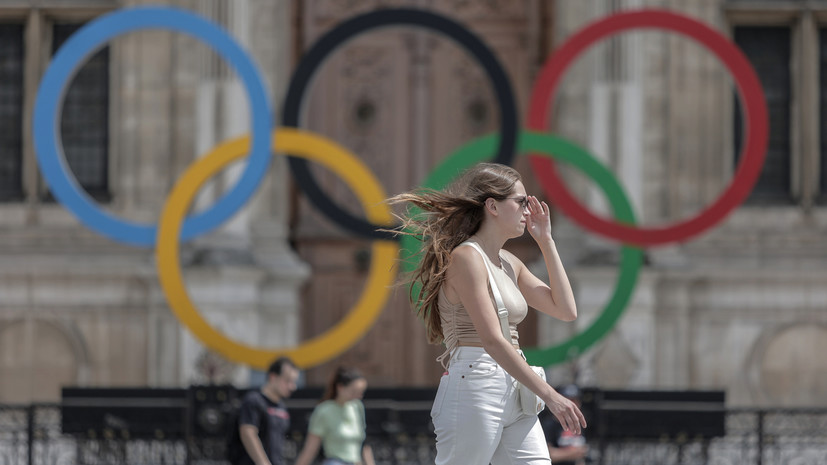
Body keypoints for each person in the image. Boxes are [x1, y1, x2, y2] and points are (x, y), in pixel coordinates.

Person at [389, 162, 587, 465]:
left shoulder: (509, 261)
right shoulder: (466, 258)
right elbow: (492, 340)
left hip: (516, 386)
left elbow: (566, 310)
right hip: (476, 382)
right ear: (492, 206)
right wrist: (550, 395)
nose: (528, 209)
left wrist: (546, 241)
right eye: (521, 201)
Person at [294, 366, 375, 465]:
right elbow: (310, 449)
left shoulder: (357, 407)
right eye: (353, 392)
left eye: (360, 393)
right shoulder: (324, 410)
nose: (357, 396)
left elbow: (364, 445)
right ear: (340, 387)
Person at [235, 356, 300, 465]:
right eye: (288, 380)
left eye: (294, 382)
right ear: (273, 377)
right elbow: (248, 433)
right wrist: (263, 463)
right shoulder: (254, 400)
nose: (292, 387)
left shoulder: (281, 407)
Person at [540, 384, 589, 465]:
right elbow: (548, 455)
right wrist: (573, 454)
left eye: (575, 400)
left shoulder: (581, 423)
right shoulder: (550, 425)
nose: (572, 405)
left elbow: (584, 450)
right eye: (569, 400)